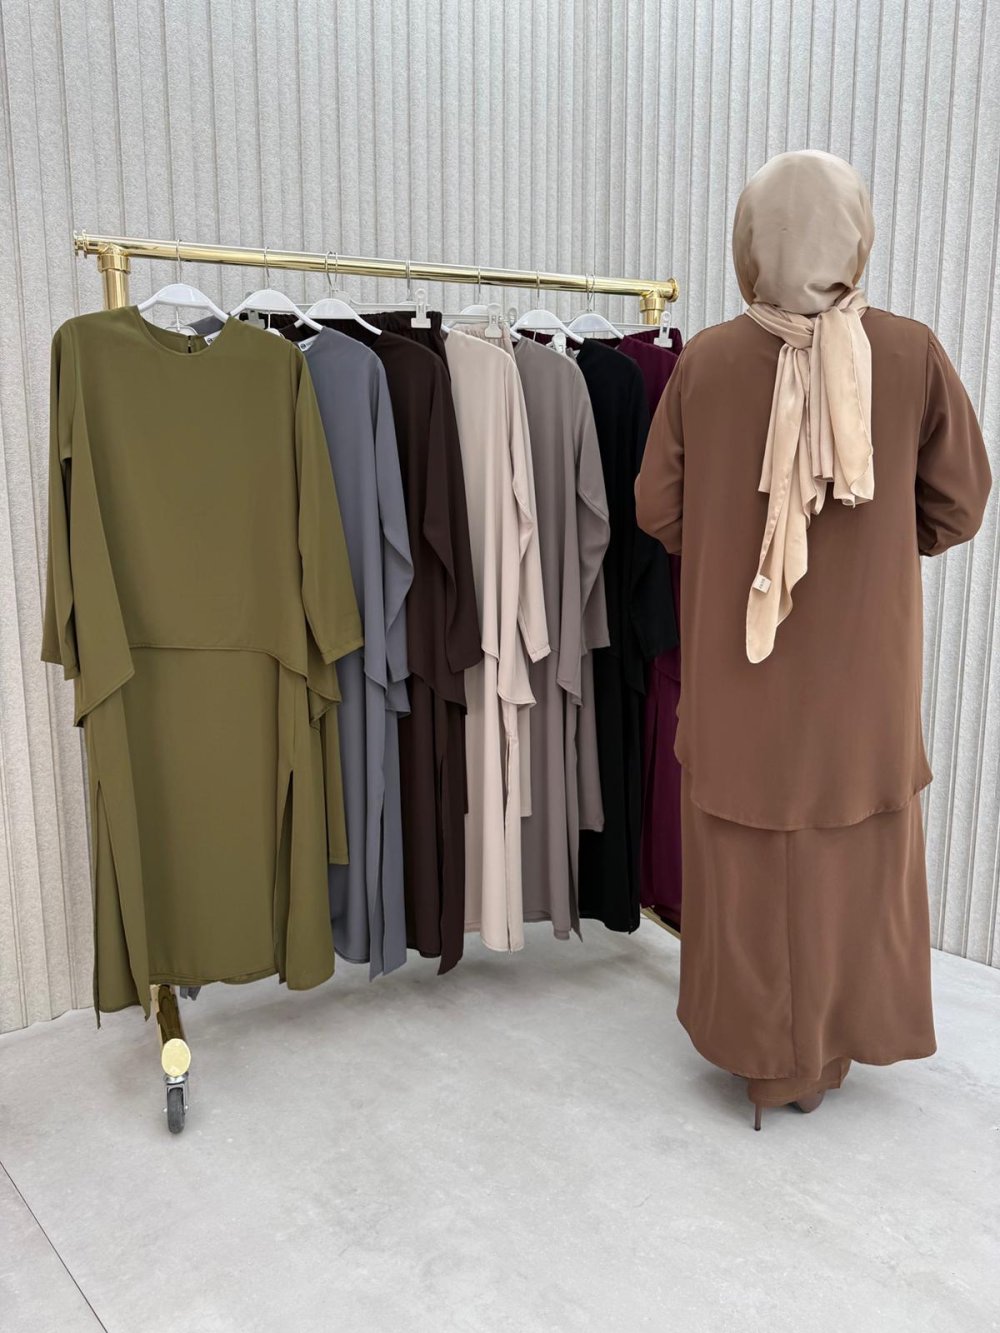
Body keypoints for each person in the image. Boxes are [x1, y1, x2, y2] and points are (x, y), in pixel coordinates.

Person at [635, 150, 992, 1129]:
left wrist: (728, 544)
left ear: (749, 240)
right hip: (860, 678)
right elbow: (959, 504)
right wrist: (873, 552)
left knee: (746, 866)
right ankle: (829, 1048)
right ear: (856, 234)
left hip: (738, 666)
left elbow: (657, 505)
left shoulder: (706, 362)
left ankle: (762, 1056)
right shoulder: (911, 354)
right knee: (848, 861)